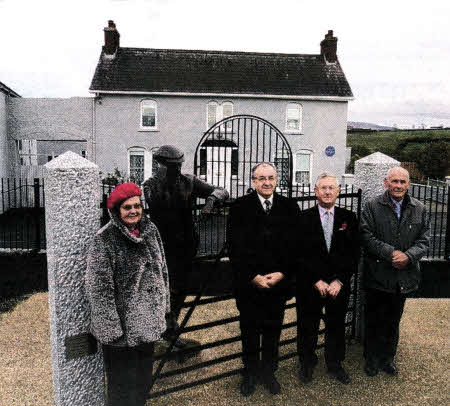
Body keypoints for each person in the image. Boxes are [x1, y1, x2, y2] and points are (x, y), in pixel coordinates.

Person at [85, 182, 170, 406]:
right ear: (116, 211)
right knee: (121, 388)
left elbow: (162, 272)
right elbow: (99, 289)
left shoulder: (151, 230)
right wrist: (112, 331)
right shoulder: (104, 239)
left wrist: (163, 308)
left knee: (142, 383)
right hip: (122, 332)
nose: (134, 211)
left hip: (148, 325)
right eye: (127, 207)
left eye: (137, 205)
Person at [143, 145, 229, 347]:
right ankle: (160, 330)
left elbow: (222, 190)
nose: (177, 170)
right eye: (173, 167)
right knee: (163, 290)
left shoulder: (189, 181)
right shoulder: (150, 187)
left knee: (180, 289)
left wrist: (210, 201)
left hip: (186, 246)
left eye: (179, 166)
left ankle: (171, 330)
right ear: (161, 165)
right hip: (162, 247)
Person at [227, 162, 300, 396]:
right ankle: (249, 374)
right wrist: (252, 276)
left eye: (270, 178)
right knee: (249, 330)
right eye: (261, 178)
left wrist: (282, 273)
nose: (266, 182)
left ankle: (268, 372)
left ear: (276, 179)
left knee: (272, 330)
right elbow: (234, 247)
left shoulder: (290, 207)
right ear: (253, 182)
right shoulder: (240, 207)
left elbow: (295, 247)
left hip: (278, 284)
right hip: (250, 285)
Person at [360, 166, 429, 377]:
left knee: (393, 320)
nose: (398, 186)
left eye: (402, 182)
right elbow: (365, 236)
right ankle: (371, 359)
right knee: (373, 320)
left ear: (408, 184)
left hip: (403, 277)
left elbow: (424, 241)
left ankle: (387, 358)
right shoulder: (372, 206)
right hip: (377, 275)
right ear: (386, 183)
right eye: (394, 181)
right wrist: (391, 253)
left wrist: (408, 256)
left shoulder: (419, 208)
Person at [296, 173, 359, 385]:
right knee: (307, 324)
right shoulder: (303, 218)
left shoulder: (349, 218)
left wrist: (339, 281)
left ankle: (335, 363)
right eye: (323, 188)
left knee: (336, 325)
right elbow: (298, 254)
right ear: (315, 192)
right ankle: (307, 363)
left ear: (338, 191)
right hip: (310, 284)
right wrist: (316, 280)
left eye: (331, 188)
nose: (327, 192)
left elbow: (353, 253)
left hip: (337, 286)